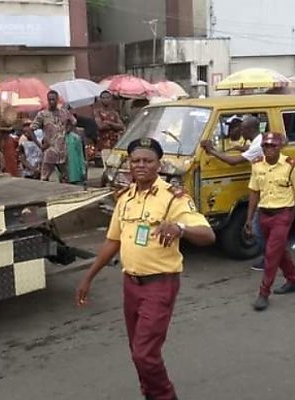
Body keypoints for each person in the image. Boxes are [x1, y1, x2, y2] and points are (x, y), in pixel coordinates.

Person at [76, 138, 215, 400]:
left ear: (158, 165)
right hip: (131, 284)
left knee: (144, 353)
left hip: (160, 284)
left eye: (147, 161)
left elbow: (208, 235)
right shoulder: (125, 198)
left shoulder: (173, 198)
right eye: (136, 160)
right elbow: (112, 241)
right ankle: (150, 394)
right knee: (137, 351)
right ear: (129, 164)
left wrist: (179, 228)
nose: (140, 165)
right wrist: (88, 277)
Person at [201, 115, 265, 271]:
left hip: (265, 186)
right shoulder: (258, 141)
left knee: (257, 228)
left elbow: (233, 162)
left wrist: (212, 151)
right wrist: (240, 149)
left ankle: (269, 258)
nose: (239, 131)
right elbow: (250, 151)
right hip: (260, 183)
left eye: (242, 128)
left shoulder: (258, 145)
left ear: (249, 130)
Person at [245, 132, 295, 311]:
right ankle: (292, 279)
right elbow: (254, 191)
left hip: (283, 214)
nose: (268, 149)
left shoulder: (290, 166)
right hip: (264, 214)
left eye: (272, 146)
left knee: (271, 254)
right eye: (265, 145)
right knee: (278, 251)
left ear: (280, 147)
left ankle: (263, 293)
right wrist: (249, 218)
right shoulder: (257, 165)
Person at [31, 90, 76, 182]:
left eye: (53, 99)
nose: (51, 101)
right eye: (49, 99)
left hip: (62, 151)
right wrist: (39, 145)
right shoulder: (42, 115)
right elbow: (30, 129)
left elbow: (74, 122)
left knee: (65, 178)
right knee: (44, 178)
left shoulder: (64, 112)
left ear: (57, 100)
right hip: (49, 151)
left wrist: (67, 131)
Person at [64, 120, 87, 186]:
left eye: (68, 126)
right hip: (64, 172)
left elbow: (80, 155)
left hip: (76, 171)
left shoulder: (75, 138)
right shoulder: (59, 138)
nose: (66, 128)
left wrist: (83, 170)